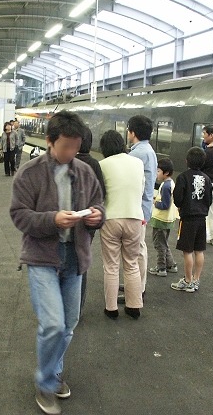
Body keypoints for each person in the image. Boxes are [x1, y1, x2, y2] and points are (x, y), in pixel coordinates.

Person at [10, 110, 104, 415]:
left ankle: (53, 372)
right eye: (65, 146)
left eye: (75, 147)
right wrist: (53, 220)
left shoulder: (85, 172)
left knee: (69, 326)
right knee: (52, 324)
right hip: (42, 258)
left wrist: (96, 217)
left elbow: (98, 204)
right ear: (50, 142)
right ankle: (46, 382)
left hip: (74, 258)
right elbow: (19, 215)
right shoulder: (30, 173)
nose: (71, 153)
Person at [99, 130, 145, 320]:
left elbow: (101, 194)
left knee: (111, 266)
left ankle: (111, 309)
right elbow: (141, 189)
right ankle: (134, 306)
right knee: (132, 263)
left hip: (111, 218)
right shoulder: (138, 162)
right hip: (134, 217)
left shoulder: (102, 165)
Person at [171, 147, 212, 293]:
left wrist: (181, 206)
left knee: (187, 251)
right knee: (199, 250)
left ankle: (187, 280)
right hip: (202, 219)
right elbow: (209, 199)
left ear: (187, 161)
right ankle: (196, 280)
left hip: (187, 218)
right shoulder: (206, 179)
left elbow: (177, 198)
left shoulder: (183, 177)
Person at [75, 126, 105, 317]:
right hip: (87, 222)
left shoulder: (65, 160)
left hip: (63, 220)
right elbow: (101, 194)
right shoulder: (94, 164)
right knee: (81, 262)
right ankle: (78, 306)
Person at [126, 115, 157, 300]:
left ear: (133, 132)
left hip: (138, 209)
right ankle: (136, 284)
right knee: (138, 249)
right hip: (144, 207)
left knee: (137, 251)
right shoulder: (148, 150)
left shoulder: (138, 154)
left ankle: (137, 288)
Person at [148, 158, 179, 277]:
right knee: (164, 243)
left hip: (161, 219)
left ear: (166, 173)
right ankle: (171, 264)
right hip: (168, 219)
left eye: (158, 171)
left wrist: (155, 202)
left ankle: (161, 268)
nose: (156, 173)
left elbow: (165, 205)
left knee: (159, 244)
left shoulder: (165, 186)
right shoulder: (171, 183)